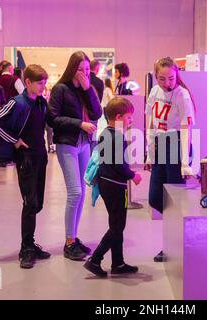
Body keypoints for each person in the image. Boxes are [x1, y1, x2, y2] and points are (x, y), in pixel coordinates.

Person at [0, 64, 51, 269]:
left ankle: (31, 243)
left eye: (44, 82)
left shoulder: (41, 103)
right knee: (30, 202)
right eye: (39, 83)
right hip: (26, 159)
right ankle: (26, 248)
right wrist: (14, 140)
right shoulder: (17, 102)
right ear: (28, 83)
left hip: (41, 156)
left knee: (38, 203)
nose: (43, 86)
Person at [47, 51, 102, 261]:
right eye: (81, 70)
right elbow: (52, 118)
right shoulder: (61, 89)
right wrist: (79, 123)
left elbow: (97, 113)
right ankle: (69, 241)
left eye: (87, 70)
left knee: (81, 193)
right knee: (75, 193)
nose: (84, 74)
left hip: (84, 144)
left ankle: (74, 237)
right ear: (72, 69)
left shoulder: (88, 89)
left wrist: (88, 89)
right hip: (67, 144)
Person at [145, 57, 196, 262]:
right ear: (156, 77)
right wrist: (149, 152)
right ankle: (177, 240)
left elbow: (186, 130)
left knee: (174, 201)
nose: (167, 83)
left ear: (177, 76)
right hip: (160, 144)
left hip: (176, 144)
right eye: (162, 79)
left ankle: (174, 247)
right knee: (155, 198)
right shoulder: (155, 91)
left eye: (171, 78)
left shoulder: (182, 95)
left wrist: (184, 162)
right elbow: (151, 123)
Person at [83, 97, 142, 277]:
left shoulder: (105, 133)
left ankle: (118, 262)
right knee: (117, 226)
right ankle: (95, 260)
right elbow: (120, 166)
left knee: (115, 223)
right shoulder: (118, 137)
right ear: (118, 117)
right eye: (129, 117)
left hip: (105, 184)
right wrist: (133, 176)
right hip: (117, 187)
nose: (131, 121)